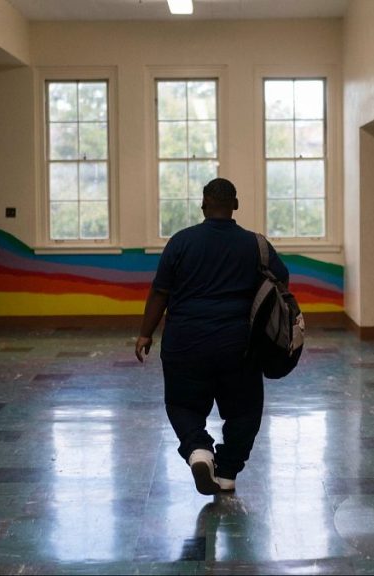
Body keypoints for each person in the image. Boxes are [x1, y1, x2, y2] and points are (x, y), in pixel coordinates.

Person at [135, 177, 289, 495]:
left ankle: (199, 452)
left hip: (184, 343)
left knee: (182, 404)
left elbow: (160, 292)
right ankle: (228, 472)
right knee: (244, 411)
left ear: (203, 204)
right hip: (239, 345)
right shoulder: (256, 245)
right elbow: (280, 283)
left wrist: (145, 334)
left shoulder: (180, 242)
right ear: (235, 205)